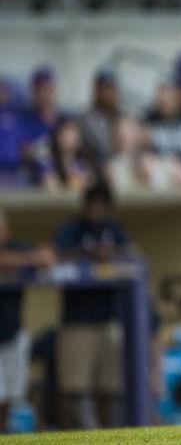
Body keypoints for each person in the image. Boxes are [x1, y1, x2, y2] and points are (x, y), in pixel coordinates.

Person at [55, 182, 133, 429]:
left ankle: (111, 437)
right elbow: (55, 256)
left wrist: (113, 255)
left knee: (110, 390)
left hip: (108, 321)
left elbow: (133, 255)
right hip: (77, 322)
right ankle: (80, 439)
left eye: (103, 204)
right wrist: (90, 254)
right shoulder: (72, 229)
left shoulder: (114, 230)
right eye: (93, 203)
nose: (97, 209)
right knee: (75, 389)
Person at [0, 208, 55, 433]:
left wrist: (27, 258)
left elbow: (47, 256)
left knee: (9, 397)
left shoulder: (18, 247)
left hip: (12, 333)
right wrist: (25, 261)